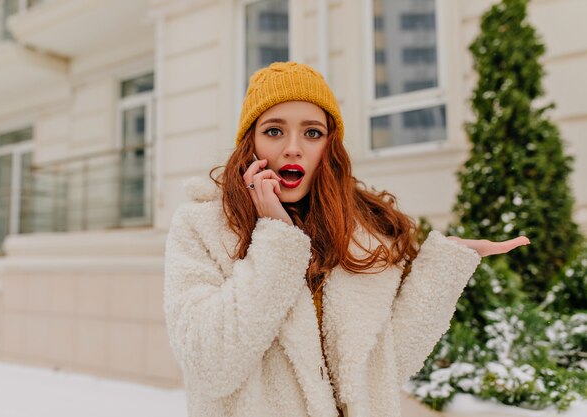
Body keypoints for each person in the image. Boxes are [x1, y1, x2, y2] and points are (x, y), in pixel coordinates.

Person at [163, 61, 530, 417]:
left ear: (330, 146)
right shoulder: (202, 227)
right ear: (250, 144)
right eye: (274, 131)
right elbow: (210, 364)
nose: (293, 148)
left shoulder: (365, 234)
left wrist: (443, 269)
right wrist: (276, 238)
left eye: (312, 133)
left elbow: (383, 370)